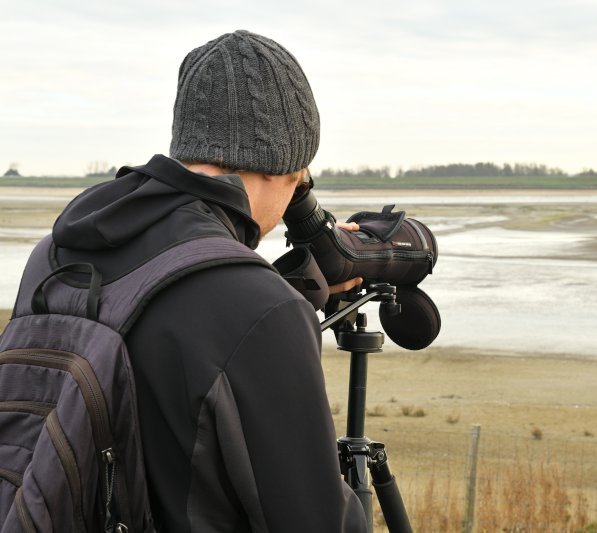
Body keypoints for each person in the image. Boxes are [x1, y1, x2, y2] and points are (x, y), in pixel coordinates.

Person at [49, 30, 368, 531]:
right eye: (295, 186)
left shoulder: (59, 250)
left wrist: (284, 294)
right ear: (279, 166)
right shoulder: (257, 307)